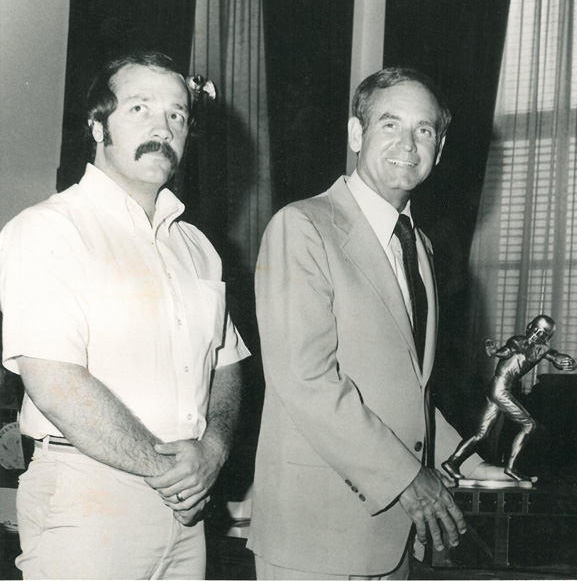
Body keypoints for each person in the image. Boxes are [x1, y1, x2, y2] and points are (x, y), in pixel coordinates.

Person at [0, 50, 250, 579]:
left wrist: (214, 451)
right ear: (97, 126)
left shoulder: (198, 247)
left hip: (187, 510)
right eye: (140, 109)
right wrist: (173, 471)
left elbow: (227, 366)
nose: (163, 127)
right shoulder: (49, 230)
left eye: (177, 115)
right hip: (88, 500)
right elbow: (55, 382)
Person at [248, 67, 505, 579]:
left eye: (424, 130)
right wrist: (410, 478)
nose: (408, 144)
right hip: (316, 532)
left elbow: (409, 395)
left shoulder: (420, 246)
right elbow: (305, 380)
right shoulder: (302, 226)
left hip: (394, 538)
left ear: (441, 147)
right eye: (390, 124)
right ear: (355, 134)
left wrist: (472, 464)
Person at [442, 315, 576, 481]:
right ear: (529, 326)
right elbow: (506, 351)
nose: (537, 335)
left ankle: (452, 462)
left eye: (542, 334)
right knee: (529, 425)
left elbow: (555, 357)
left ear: (546, 338)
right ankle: (511, 468)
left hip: (497, 389)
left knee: (482, 433)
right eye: (536, 330)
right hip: (500, 389)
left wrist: (566, 362)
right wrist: (494, 352)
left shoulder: (542, 349)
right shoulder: (519, 341)